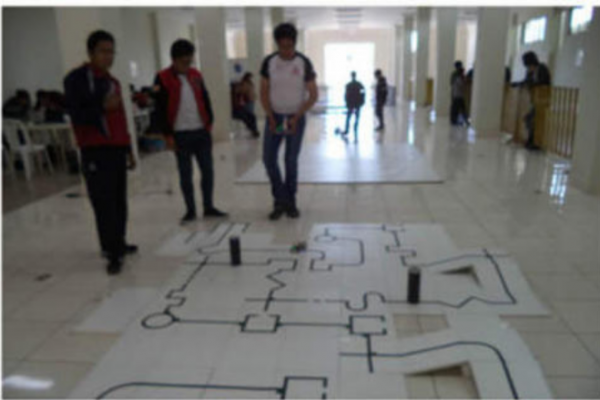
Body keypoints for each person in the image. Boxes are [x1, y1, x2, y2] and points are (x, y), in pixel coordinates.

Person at [63, 30, 137, 275]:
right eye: (103, 51)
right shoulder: (77, 79)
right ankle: (111, 252)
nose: (109, 56)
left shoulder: (112, 81)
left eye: (112, 52)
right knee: (103, 202)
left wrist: (128, 148)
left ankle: (119, 242)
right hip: (95, 150)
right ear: (91, 53)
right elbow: (77, 114)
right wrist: (102, 107)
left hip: (116, 149)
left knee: (118, 200)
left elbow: (121, 118)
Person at [152, 39, 227, 224]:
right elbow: (159, 109)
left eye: (189, 61)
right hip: (180, 135)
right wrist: (167, 135)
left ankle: (208, 206)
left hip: (201, 132)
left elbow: (205, 98)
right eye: (183, 62)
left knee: (207, 171)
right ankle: (190, 210)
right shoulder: (162, 77)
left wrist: (209, 123)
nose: (187, 65)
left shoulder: (195, 75)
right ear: (174, 60)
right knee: (185, 174)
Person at [260, 23, 318, 220]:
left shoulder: (303, 62)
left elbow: (313, 95)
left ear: (294, 43)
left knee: (290, 160)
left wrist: (297, 116)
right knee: (269, 159)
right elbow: (263, 92)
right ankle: (280, 199)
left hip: (295, 118)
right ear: (277, 44)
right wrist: (270, 117)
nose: (286, 50)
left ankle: (290, 202)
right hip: (275, 117)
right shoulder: (269, 62)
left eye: (289, 46)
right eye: (282, 46)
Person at [520, 51, 551, 150]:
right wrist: (518, 84)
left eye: (529, 66)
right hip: (535, 100)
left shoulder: (542, 69)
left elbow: (543, 82)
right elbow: (526, 81)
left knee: (536, 121)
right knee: (529, 120)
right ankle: (531, 141)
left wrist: (531, 84)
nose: (529, 68)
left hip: (543, 99)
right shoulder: (530, 71)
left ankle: (536, 143)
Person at [231, 73, 260, 138]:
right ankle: (252, 129)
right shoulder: (245, 84)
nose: (251, 78)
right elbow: (242, 91)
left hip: (251, 100)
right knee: (249, 115)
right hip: (248, 101)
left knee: (251, 116)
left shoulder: (249, 83)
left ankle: (253, 129)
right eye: (250, 77)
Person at [343, 71, 365, 139]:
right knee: (357, 117)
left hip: (351, 103)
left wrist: (346, 102)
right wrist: (362, 100)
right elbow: (363, 93)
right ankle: (355, 127)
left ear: (351, 76)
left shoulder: (348, 85)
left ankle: (347, 129)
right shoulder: (359, 84)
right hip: (357, 103)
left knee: (348, 117)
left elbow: (346, 95)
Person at [450, 61, 468, 126]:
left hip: (456, 94)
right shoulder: (457, 75)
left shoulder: (455, 74)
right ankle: (456, 120)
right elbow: (461, 84)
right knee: (458, 108)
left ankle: (461, 120)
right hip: (458, 94)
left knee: (458, 108)